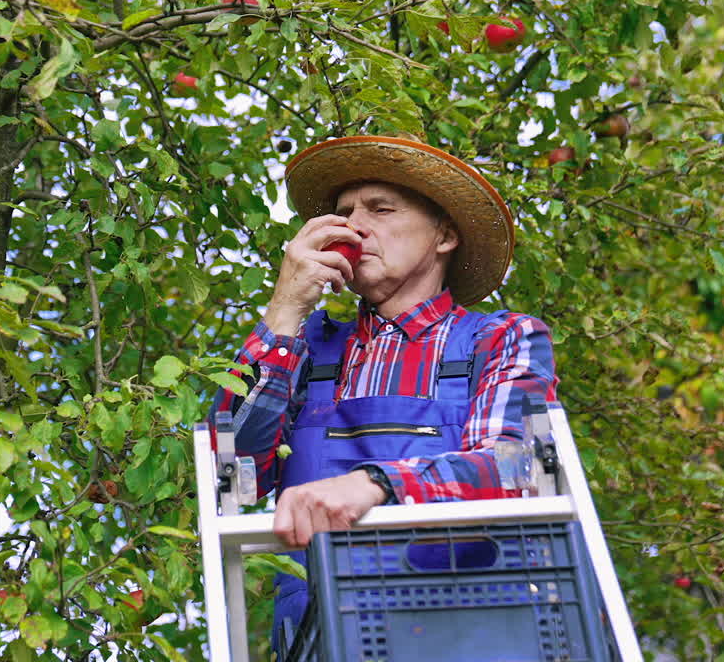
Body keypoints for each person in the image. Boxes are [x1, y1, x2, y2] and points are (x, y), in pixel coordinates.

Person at [207, 136, 559, 651]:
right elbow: (231, 478)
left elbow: (515, 468)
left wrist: (374, 485)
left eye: (381, 208)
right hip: (324, 639)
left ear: (444, 236)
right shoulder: (305, 349)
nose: (354, 226)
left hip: (471, 636)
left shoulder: (500, 339)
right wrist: (284, 310)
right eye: (345, 212)